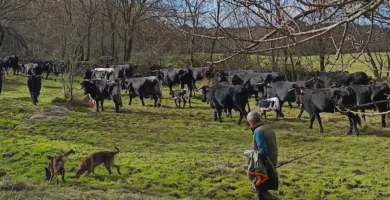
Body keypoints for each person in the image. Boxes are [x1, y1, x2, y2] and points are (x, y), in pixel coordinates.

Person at [247, 111, 279, 200]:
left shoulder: (258, 131)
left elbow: (262, 151)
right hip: (272, 159)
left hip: (263, 163)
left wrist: (251, 154)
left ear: (252, 121)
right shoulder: (267, 127)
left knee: (259, 187)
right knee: (261, 187)